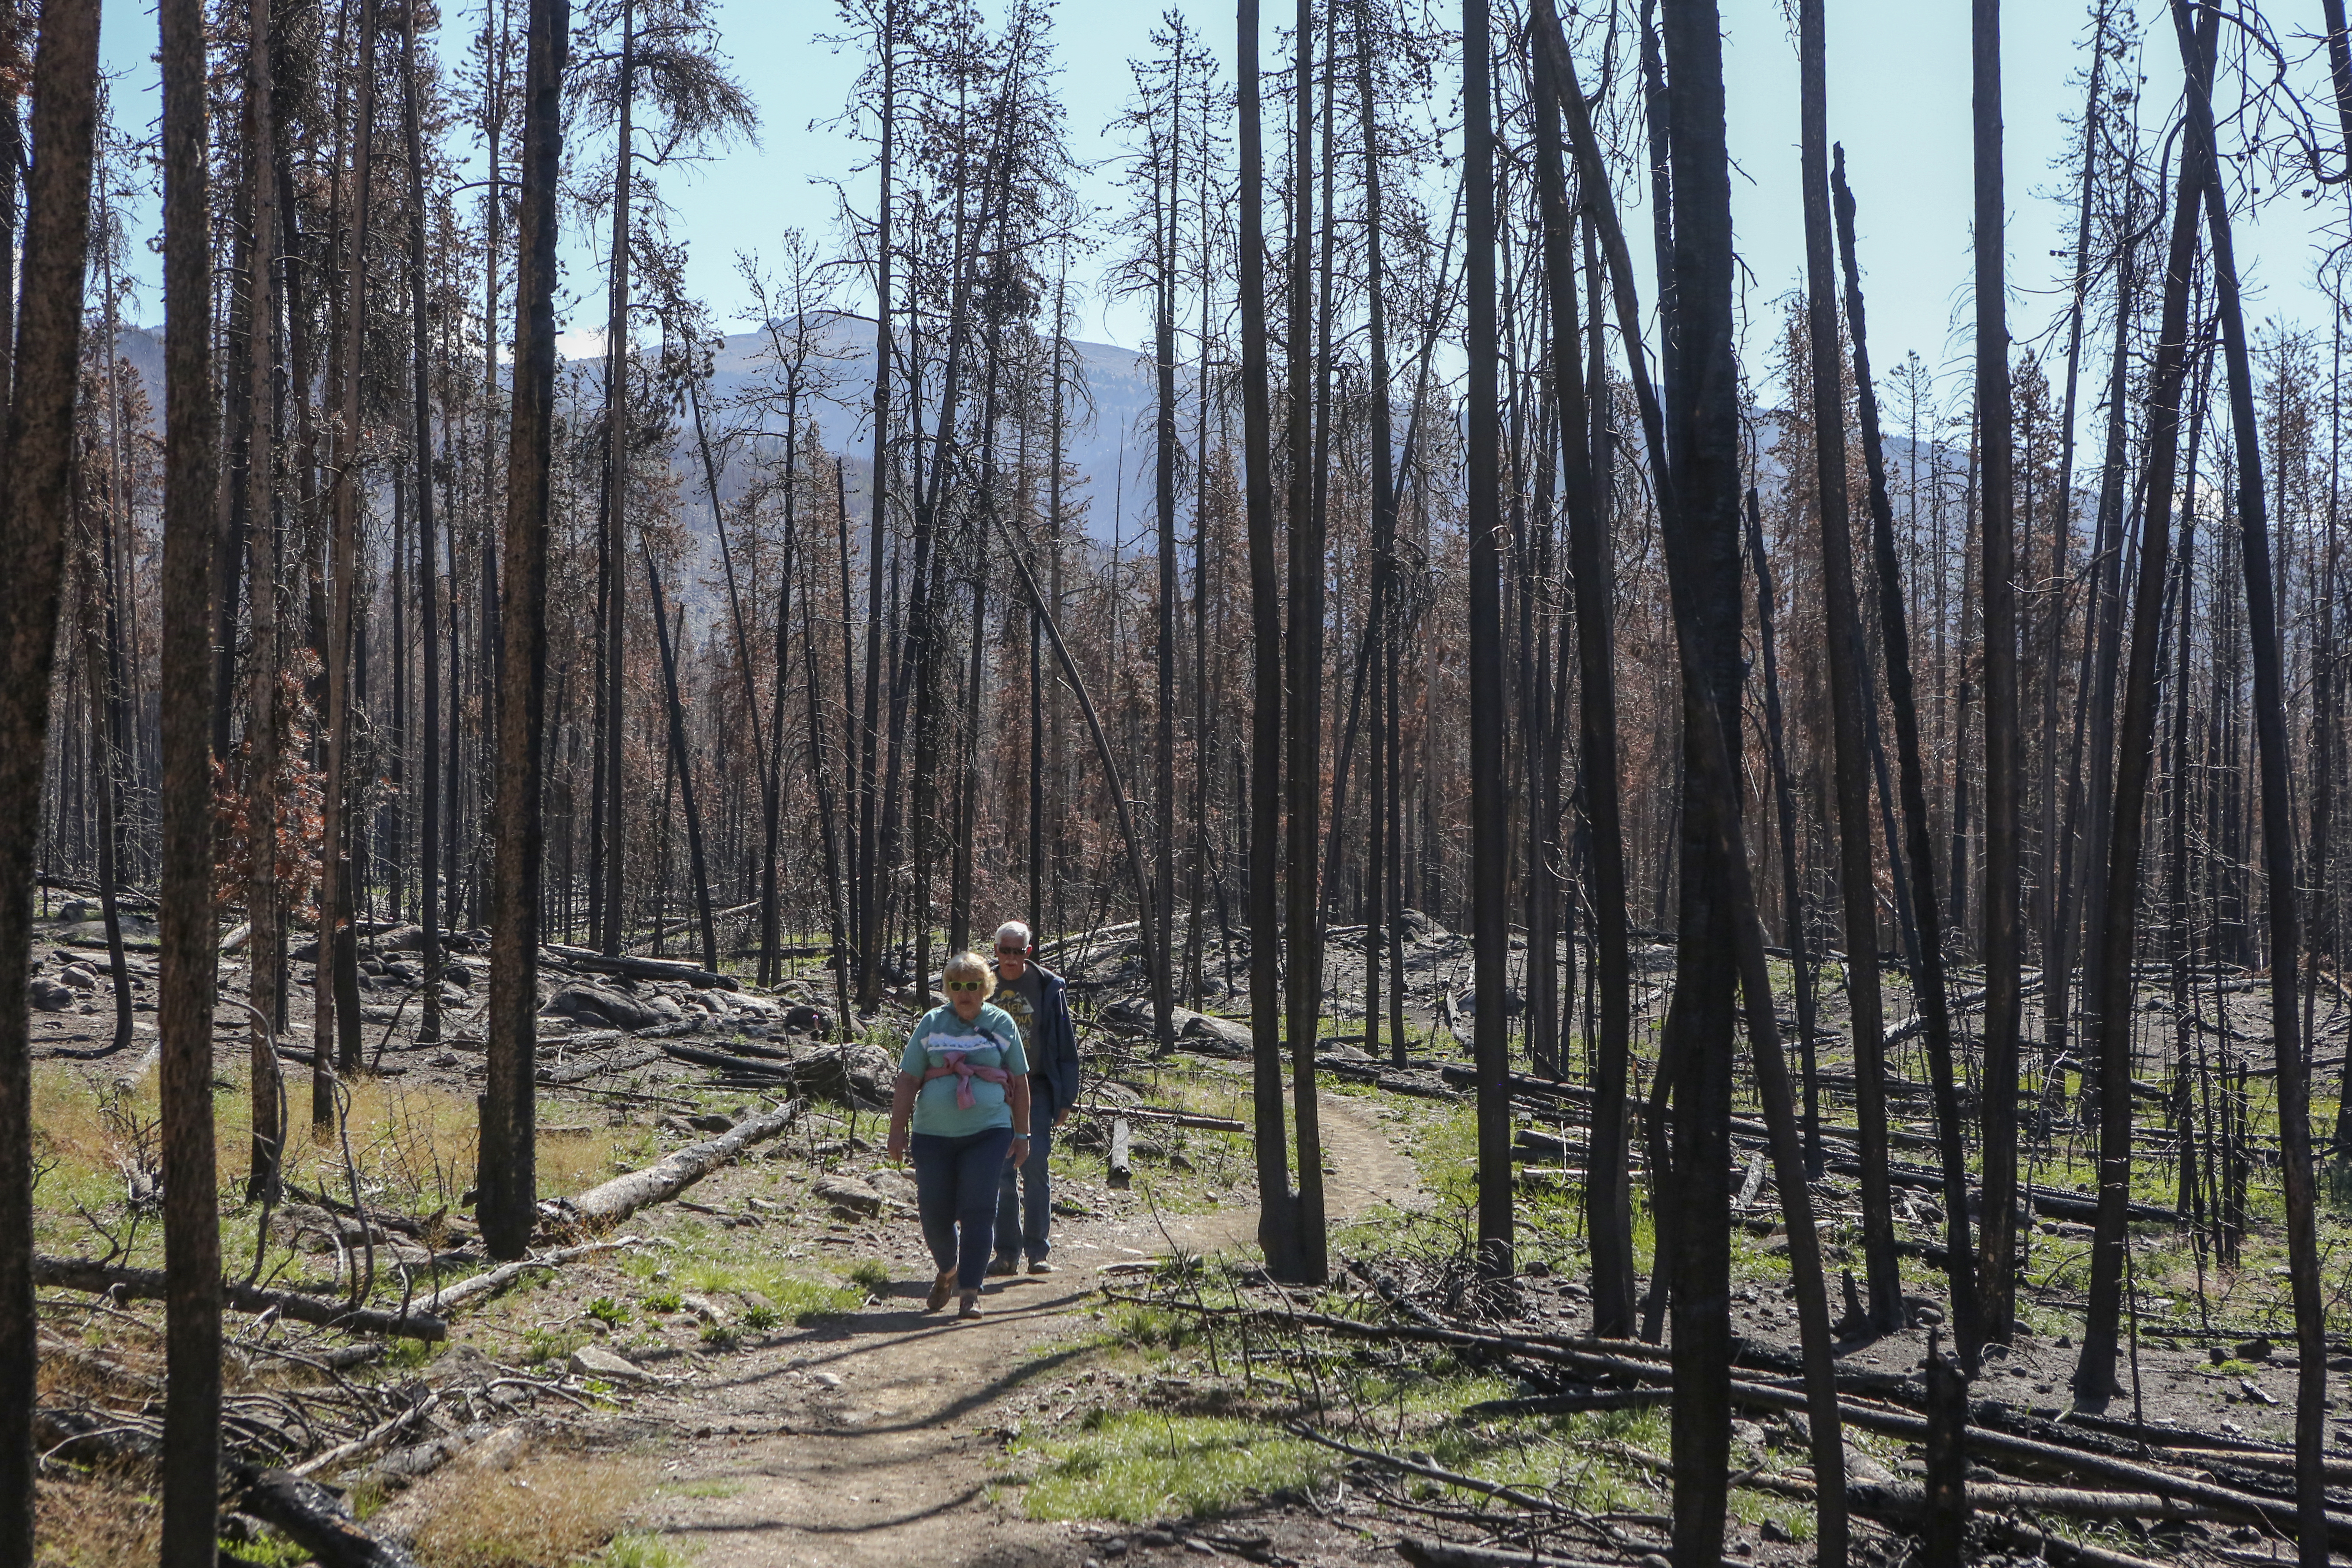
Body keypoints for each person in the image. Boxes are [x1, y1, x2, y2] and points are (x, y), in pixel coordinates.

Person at [885, 951, 1031, 1320]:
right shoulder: (932, 1023)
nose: (965, 993)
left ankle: (970, 1292)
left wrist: (1022, 1133)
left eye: (973, 985)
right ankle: (949, 1271)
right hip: (932, 1133)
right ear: (948, 989)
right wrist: (896, 1131)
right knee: (934, 1213)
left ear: (986, 988)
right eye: (958, 986)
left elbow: (1018, 1080)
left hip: (989, 1131)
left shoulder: (1001, 1023)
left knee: (979, 1208)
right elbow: (908, 1079)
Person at [987, 920, 1081, 1276]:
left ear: (1028, 952)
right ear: (996, 950)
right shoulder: (982, 984)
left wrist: (1066, 1098)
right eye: (1004, 950)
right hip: (991, 1086)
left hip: (1038, 1086)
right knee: (1000, 1171)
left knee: (1035, 1166)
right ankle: (1006, 1253)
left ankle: (1038, 1251)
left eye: (1017, 951)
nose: (1010, 958)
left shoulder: (1048, 987)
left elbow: (1066, 1045)